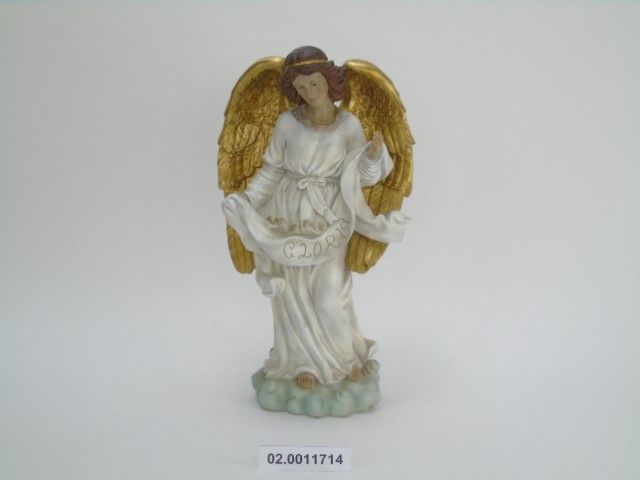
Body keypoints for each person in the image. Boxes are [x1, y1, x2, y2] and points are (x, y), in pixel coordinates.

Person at [222, 46, 408, 390]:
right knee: (293, 294)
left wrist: (374, 155)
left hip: (331, 217)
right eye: (301, 87)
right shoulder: (287, 122)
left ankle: (345, 359)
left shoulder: (349, 125)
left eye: (314, 83)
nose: (309, 92)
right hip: (289, 214)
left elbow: (362, 176)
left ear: (328, 81)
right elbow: (272, 170)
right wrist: (246, 201)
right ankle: (303, 364)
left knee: (329, 295)